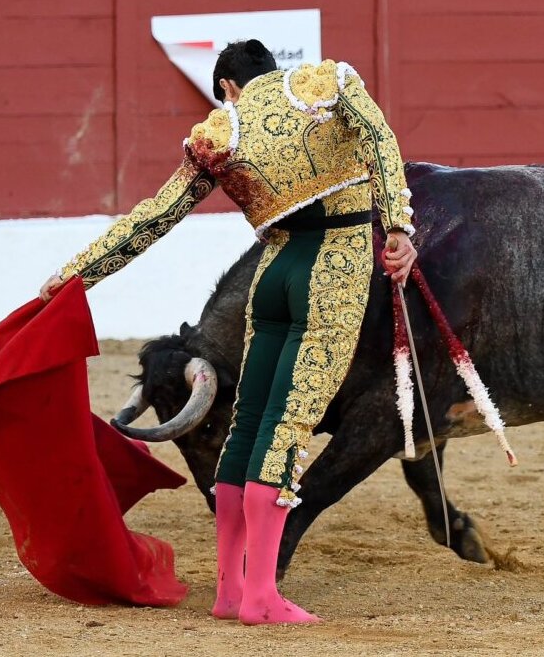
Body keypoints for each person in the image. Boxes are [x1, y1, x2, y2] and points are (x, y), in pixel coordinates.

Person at [38, 39, 417, 625]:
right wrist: (396, 228)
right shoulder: (328, 82)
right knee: (287, 426)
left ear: (228, 89)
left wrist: (73, 277)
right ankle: (262, 595)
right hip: (332, 265)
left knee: (248, 425)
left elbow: (153, 217)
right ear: (271, 73)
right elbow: (382, 143)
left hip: (271, 274)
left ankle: (230, 591)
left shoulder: (218, 134)